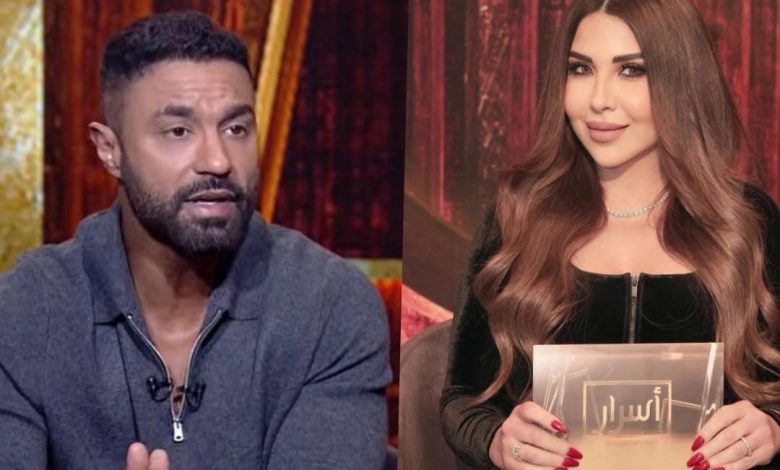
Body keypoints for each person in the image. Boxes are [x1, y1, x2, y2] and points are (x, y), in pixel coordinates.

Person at [0, 11, 391, 469]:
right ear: (110, 150)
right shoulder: (25, 310)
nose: (218, 160)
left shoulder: (329, 304)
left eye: (236, 128)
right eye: (178, 131)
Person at [440, 0, 780, 469]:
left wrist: (772, 427)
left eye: (631, 70)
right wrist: (497, 441)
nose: (599, 98)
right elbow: (462, 400)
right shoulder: (518, 215)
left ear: (681, 79)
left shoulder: (747, 221)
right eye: (580, 69)